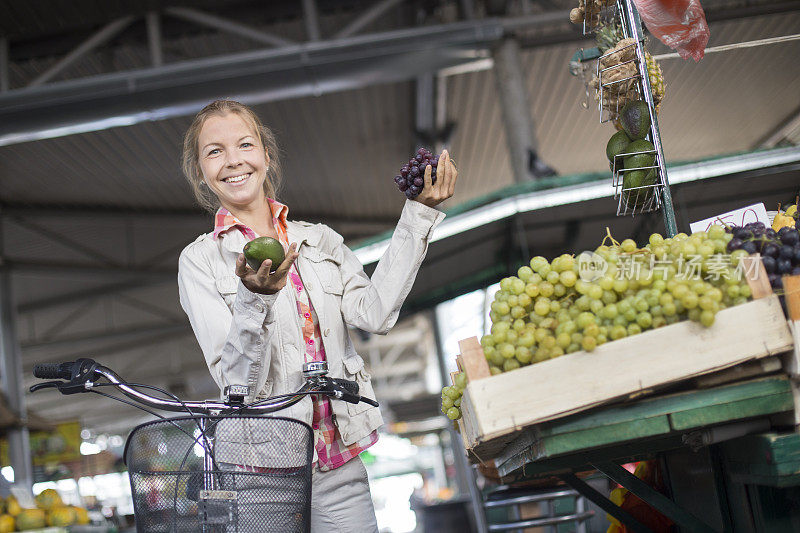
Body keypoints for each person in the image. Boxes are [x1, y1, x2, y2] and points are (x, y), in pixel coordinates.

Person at [177, 100, 457, 532]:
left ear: (266, 156)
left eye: (245, 144)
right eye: (214, 151)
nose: (233, 160)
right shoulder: (201, 261)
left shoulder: (319, 240)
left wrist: (418, 215)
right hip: (258, 471)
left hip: (336, 458)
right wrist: (255, 300)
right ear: (200, 171)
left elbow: (375, 313)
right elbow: (237, 384)